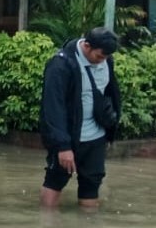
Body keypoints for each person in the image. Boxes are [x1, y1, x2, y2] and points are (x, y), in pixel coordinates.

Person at [40, 27, 122, 209]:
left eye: (106, 57)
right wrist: (63, 146)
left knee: (92, 184)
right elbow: (53, 107)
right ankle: (47, 227)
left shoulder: (107, 61)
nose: (103, 61)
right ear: (87, 46)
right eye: (100, 56)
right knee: (55, 179)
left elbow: (110, 94)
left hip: (96, 137)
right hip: (69, 138)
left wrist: (110, 131)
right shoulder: (60, 65)